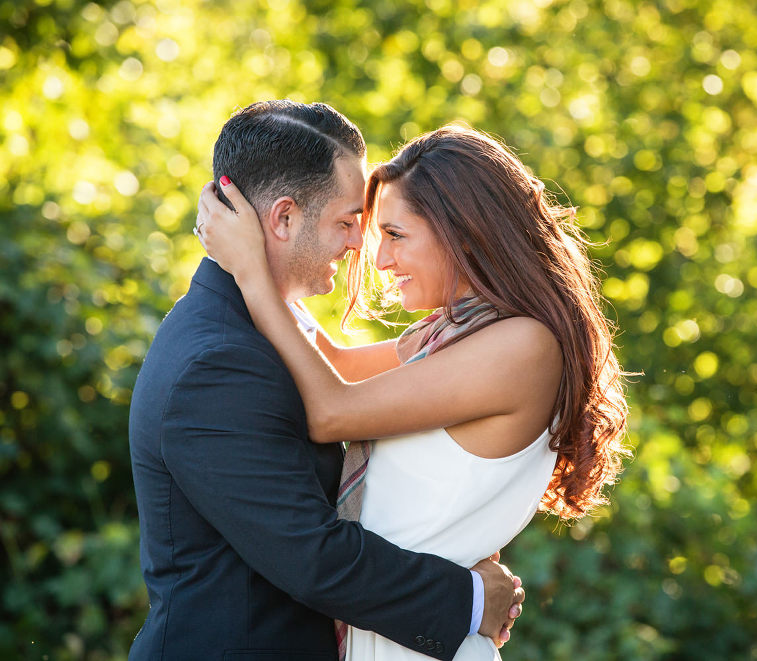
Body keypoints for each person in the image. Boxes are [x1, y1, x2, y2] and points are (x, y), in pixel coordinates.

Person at [196, 123, 630, 660]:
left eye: (395, 236)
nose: (379, 260)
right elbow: (334, 366)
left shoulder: (522, 347)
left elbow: (331, 411)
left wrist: (252, 272)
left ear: (466, 231)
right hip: (392, 635)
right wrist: (269, 249)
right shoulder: (452, 332)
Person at [128, 101, 524, 661]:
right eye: (346, 222)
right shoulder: (216, 363)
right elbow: (311, 556)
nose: (360, 245)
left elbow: (346, 371)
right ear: (285, 218)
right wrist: (470, 597)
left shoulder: (260, 326)